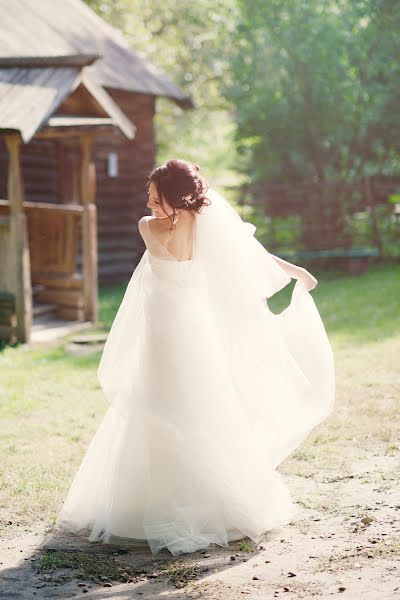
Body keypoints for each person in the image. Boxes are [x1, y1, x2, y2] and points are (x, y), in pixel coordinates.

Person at [56, 159, 335, 556]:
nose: (150, 205)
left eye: (156, 198)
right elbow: (249, 253)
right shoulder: (207, 224)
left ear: (173, 197)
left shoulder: (145, 227)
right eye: (149, 199)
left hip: (167, 327)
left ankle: (152, 505)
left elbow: (229, 251)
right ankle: (205, 500)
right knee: (194, 403)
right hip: (192, 326)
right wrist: (294, 272)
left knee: (163, 405)